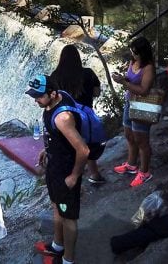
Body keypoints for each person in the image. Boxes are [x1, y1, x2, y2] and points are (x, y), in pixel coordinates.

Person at [26, 74, 89, 264]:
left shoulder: (62, 118)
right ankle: (57, 246)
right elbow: (59, 137)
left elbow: (83, 150)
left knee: (68, 217)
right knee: (56, 206)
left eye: (38, 96)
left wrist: (74, 176)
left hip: (65, 172)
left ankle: (68, 260)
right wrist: (48, 149)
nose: (35, 100)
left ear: (52, 94)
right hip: (55, 166)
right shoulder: (57, 97)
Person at [50, 44, 104, 184]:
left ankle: (69, 178)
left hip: (64, 118)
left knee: (67, 148)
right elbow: (97, 92)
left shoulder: (55, 76)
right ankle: (95, 174)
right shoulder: (88, 73)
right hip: (85, 117)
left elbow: (51, 98)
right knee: (87, 145)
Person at [111, 36, 156, 187]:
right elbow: (131, 80)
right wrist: (122, 78)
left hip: (143, 105)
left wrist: (123, 82)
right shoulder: (133, 61)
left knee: (142, 141)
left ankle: (144, 172)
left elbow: (144, 90)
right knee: (129, 136)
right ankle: (131, 165)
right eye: (132, 51)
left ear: (143, 53)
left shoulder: (148, 67)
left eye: (136, 52)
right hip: (129, 102)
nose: (133, 54)